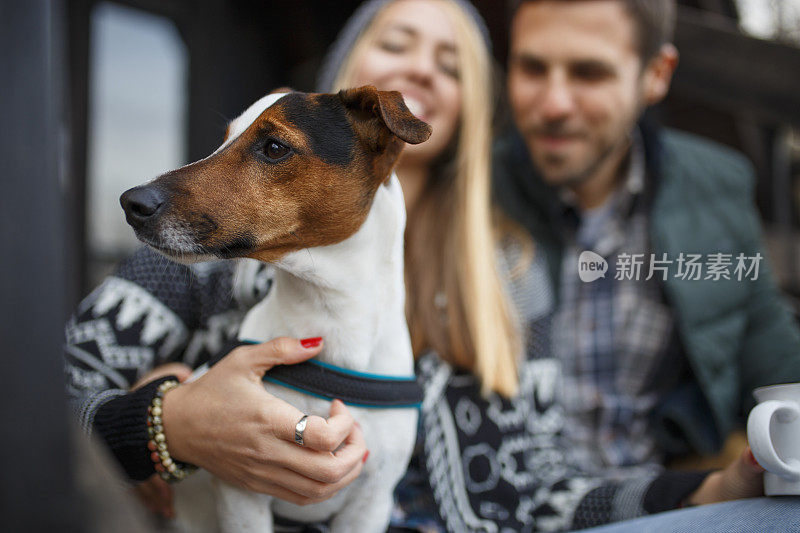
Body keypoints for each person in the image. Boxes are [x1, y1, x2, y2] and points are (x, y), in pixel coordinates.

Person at [65, 0, 769, 531]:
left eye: (451, 61)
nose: (420, 67)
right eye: (395, 42)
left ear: (466, 109)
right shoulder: (217, 247)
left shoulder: (511, 277)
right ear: (348, 81)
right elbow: (48, 391)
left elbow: (538, 488)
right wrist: (162, 422)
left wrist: (699, 492)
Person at [496, 0, 800, 476]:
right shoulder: (472, 193)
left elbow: (776, 363)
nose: (553, 103)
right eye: (532, 68)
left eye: (588, 73)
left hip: (672, 503)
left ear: (656, 73)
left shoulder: (715, 188)